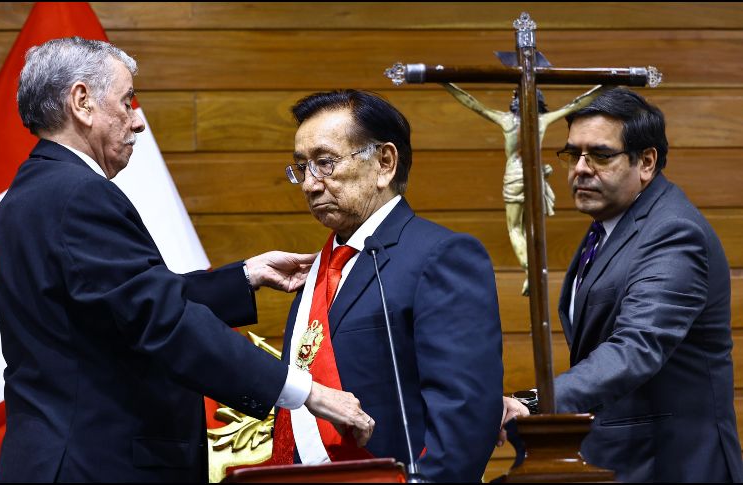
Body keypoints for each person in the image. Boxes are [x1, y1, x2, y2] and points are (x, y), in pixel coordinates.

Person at [0, 37, 373, 482]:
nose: (137, 122)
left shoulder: (31, 192)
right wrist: (307, 392)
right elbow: (160, 319)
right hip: (95, 464)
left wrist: (245, 276)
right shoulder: (78, 195)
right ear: (82, 102)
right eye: (127, 100)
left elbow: (117, 306)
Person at [270, 89, 504, 482]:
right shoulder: (321, 268)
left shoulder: (441, 255)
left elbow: (465, 413)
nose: (310, 184)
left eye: (325, 163)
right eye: (302, 167)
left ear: (384, 162)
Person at [551, 87, 743, 482]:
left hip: (674, 464)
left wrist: (539, 403)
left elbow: (636, 347)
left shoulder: (673, 232)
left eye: (601, 155)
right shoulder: (609, 226)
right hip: (627, 458)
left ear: (646, 162)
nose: (581, 169)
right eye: (573, 154)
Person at [442, 83, 605, 295]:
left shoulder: (506, 120)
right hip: (534, 175)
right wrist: (605, 85)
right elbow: (576, 104)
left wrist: (446, 84)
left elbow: (473, 103)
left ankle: (531, 271)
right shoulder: (541, 120)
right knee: (533, 228)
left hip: (515, 175)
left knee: (515, 228)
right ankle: (534, 271)